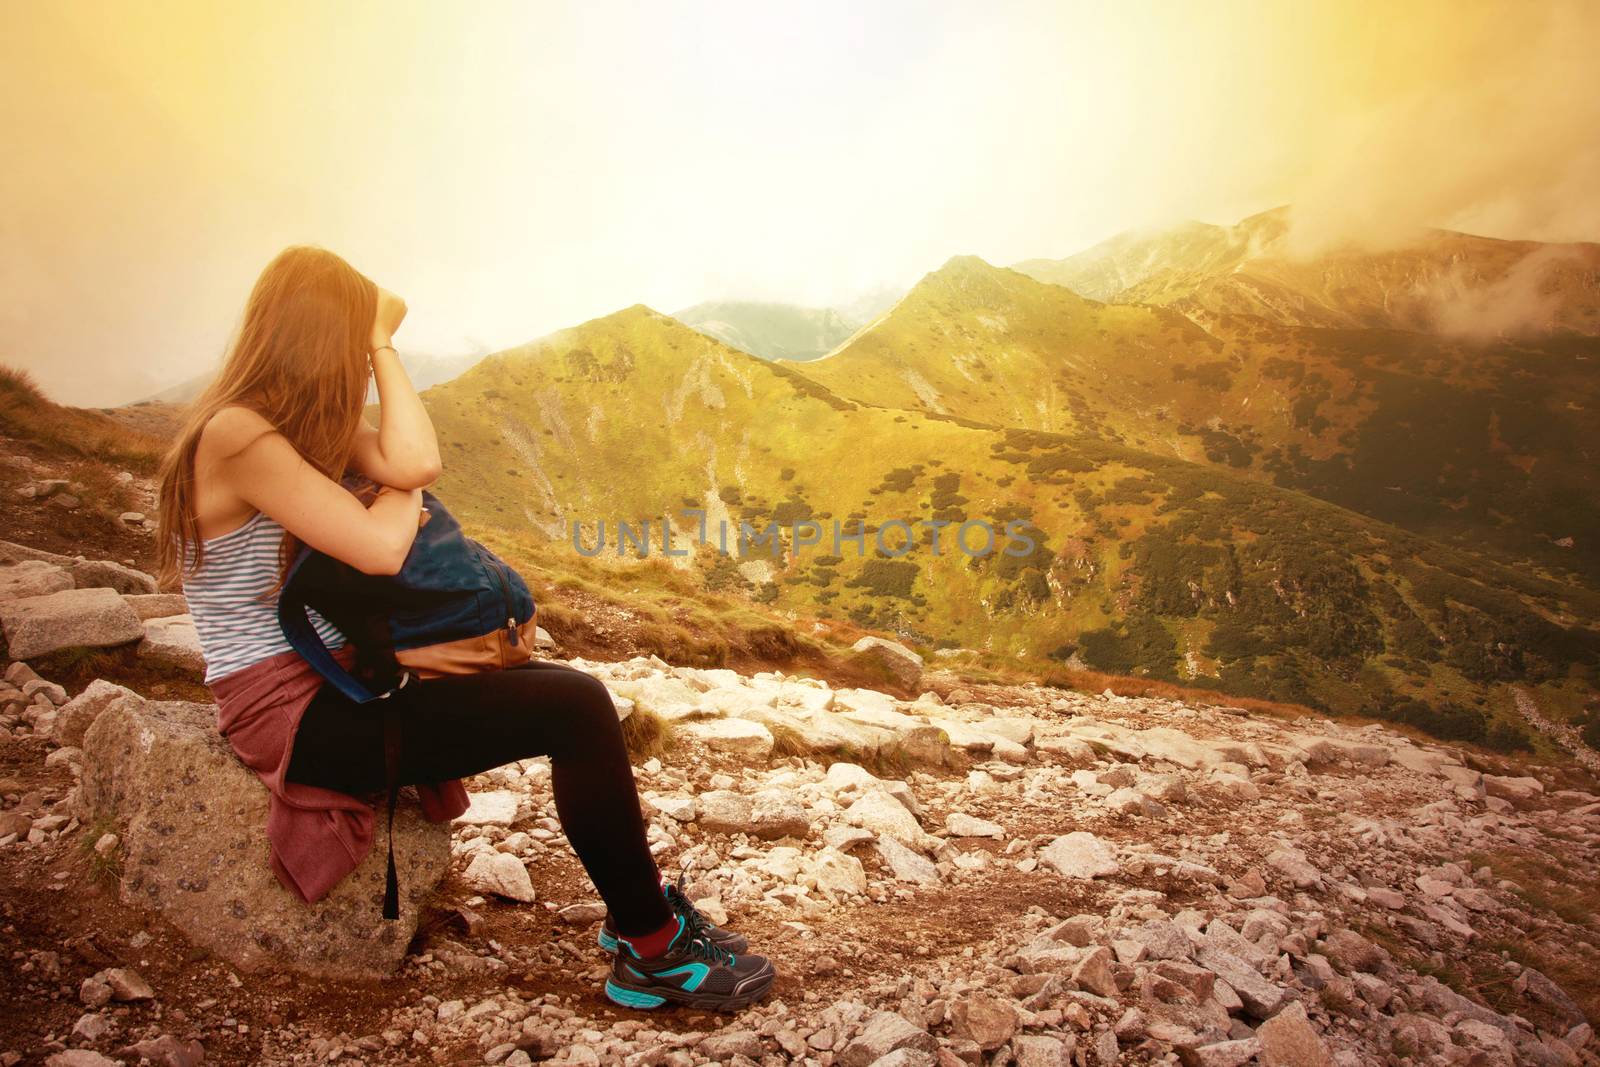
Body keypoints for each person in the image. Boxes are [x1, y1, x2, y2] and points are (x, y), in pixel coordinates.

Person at [153, 245, 776, 1012]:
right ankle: (650, 951)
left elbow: (420, 459)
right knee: (574, 709)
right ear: (319, 339)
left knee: (567, 692)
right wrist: (402, 497)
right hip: (292, 713)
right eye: (352, 341)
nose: (359, 359)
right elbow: (384, 546)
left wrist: (383, 351)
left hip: (342, 678)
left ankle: (635, 919)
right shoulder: (238, 433)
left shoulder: (300, 425)